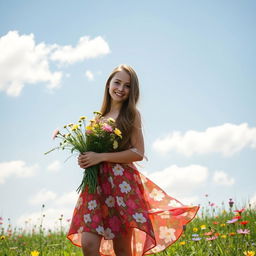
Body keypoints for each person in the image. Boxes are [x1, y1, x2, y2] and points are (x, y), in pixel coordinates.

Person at [67, 64, 199, 256]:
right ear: (108, 84)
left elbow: (138, 152)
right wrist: (86, 159)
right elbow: (92, 155)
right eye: (117, 82)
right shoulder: (97, 119)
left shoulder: (131, 115)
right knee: (88, 244)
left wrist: (101, 157)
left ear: (133, 90)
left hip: (121, 186)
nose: (121, 89)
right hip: (96, 187)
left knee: (122, 249)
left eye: (127, 86)